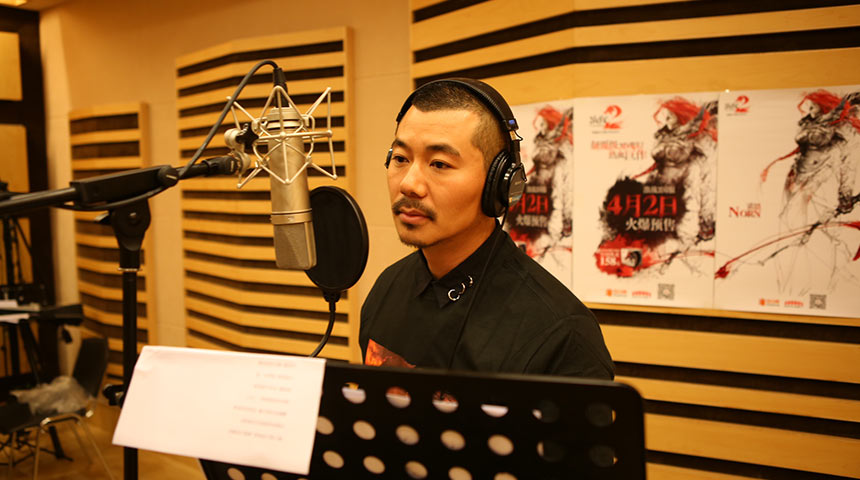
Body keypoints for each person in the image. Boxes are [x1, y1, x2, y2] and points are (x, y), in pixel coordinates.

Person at [359, 78, 614, 379]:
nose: (409, 184)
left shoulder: (562, 336)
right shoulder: (387, 289)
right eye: (400, 159)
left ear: (499, 183)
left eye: (439, 164)